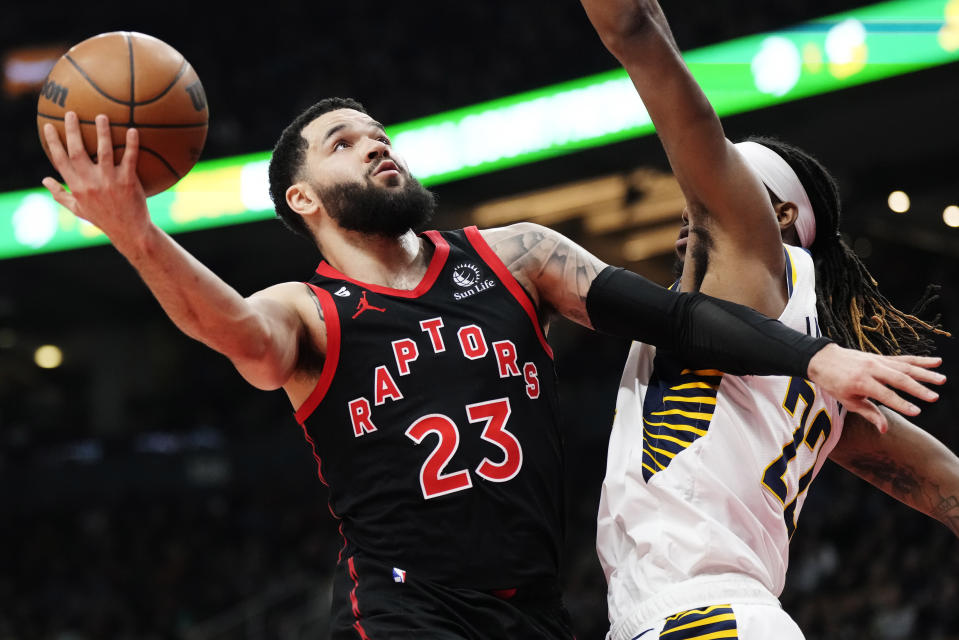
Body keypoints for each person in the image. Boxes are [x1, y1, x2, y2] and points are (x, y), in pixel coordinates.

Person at [40, 102, 942, 639]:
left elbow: (674, 317)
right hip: (404, 608)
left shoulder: (513, 255)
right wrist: (136, 233)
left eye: (378, 132)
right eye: (346, 142)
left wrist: (812, 354)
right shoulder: (307, 311)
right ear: (302, 198)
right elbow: (228, 327)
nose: (375, 144)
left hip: (534, 611)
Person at [577, 1, 959, 639]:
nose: (692, 204)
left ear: (777, 214)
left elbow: (639, 34)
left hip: (701, 618)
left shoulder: (750, 251)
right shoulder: (823, 373)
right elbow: (944, 481)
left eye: (720, 183)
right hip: (724, 615)